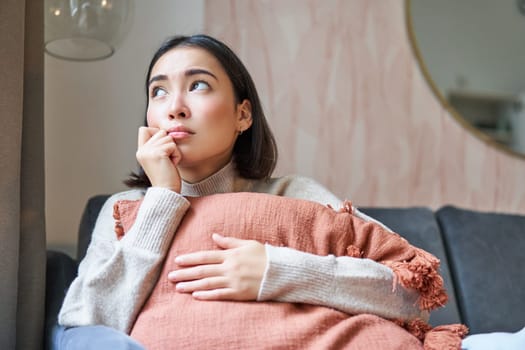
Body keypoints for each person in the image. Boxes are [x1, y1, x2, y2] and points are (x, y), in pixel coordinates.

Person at [55, 34, 523, 350]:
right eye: (158, 92)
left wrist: (275, 270)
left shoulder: (292, 194)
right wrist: (161, 199)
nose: (174, 108)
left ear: (243, 115)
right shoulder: (126, 209)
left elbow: (406, 291)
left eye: (197, 85)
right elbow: (86, 323)